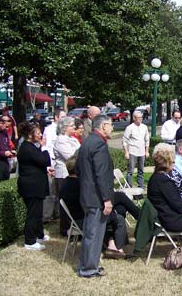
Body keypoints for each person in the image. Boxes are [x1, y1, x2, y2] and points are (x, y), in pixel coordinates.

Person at [60, 155, 135, 258]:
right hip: (84, 220)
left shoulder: (68, 182)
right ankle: (116, 247)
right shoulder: (78, 185)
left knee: (120, 208)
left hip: (80, 217)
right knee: (119, 211)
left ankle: (112, 245)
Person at [76, 115, 115, 278]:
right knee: (94, 233)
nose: (112, 128)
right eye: (111, 125)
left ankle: (89, 265)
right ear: (104, 126)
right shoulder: (98, 144)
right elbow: (102, 174)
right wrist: (107, 199)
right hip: (96, 197)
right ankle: (88, 268)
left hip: (88, 194)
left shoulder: (87, 141)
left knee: (91, 233)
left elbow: (78, 168)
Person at [17, 122, 52, 251]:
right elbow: (44, 160)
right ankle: (29, 240)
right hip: (31, 187)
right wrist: (44, 147)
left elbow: (37, 163)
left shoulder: (30, 147)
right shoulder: (26, 148)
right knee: (33, 213)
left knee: (38, 213)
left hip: (36, 185)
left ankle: (39, 234)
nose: (40, 135)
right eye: (37, 133)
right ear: (30, 134)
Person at [54, 116, 81, 234]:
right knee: (65, 201)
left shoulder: (73, 139)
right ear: (64, 128)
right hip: (64, 173)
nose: (74, 127)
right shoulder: (61, 141)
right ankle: (65, 228)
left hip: (75, 174)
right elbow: (71, 157)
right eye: (71, 125)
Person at [42, 109, 67, 222]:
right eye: (62, 116)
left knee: (59, 192)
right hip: (52, 163)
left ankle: (58, 213)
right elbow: (45, 148)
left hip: (61, 165)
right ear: (56, 118)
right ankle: (47, 216)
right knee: (51, 192)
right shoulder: (49, 129)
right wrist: (48, 166)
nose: (64, 119)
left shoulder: (62, 131)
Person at [122, 110, 150, 189]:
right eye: (139, 117)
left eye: (141, 117)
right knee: (130, 171)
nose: (141, 119)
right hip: (132, 151)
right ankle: (129, 186)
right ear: (134, 118)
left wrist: (147, 151)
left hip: (142, 152)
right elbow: (124, 140)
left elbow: (147, 140)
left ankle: (140, 186)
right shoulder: (129, 128)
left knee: (141, 171)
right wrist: (126, 152)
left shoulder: (144, 127)